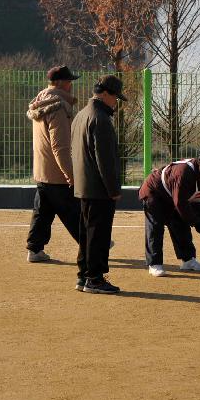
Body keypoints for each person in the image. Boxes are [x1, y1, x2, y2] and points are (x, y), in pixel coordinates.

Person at [71, 74, 126, 294]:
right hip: (99, 188)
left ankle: (84, 276)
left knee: (86, 233)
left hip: (84, 185)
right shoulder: (100, 119)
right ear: (105, 94)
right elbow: (105, 160)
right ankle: (94, 278)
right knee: (98, 235)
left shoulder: (81, 115)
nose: (116, 102)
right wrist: (113, 189)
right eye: (115, 97)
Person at [138, 146, 200, 277]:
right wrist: (194, 221)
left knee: (181, 224)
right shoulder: (184, 172)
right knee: (156, 226)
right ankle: (154, 264)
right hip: (154, 192)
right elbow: (180, 203)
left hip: (174, 196)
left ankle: (188, 260)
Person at [25, 66, 80, 262]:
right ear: (62, 84)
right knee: (73, 211)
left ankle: (34, 248)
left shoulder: (40, 103)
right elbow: (60, 147)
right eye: (70, 81)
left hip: (42, 170)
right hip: (57, 173)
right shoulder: (58, 107)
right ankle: (93, 243)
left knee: (43, 211)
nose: (72, 85)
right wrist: (70, 174)